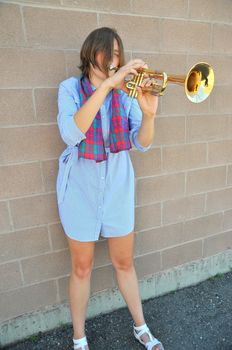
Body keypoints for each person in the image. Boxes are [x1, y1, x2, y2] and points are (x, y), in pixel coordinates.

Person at [56, 27, 164, 350]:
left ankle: (141, 327)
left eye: (118, 54)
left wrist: (149, 116)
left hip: (117, 187)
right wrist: (106, 87)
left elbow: (140, 143)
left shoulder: (125, 94)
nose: (115, 60)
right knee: (81, 267)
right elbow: (71, 132)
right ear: (91, 53)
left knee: (124, 262)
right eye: (108, 53)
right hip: (80, 190)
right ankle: (79, 338)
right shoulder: (70, 90)